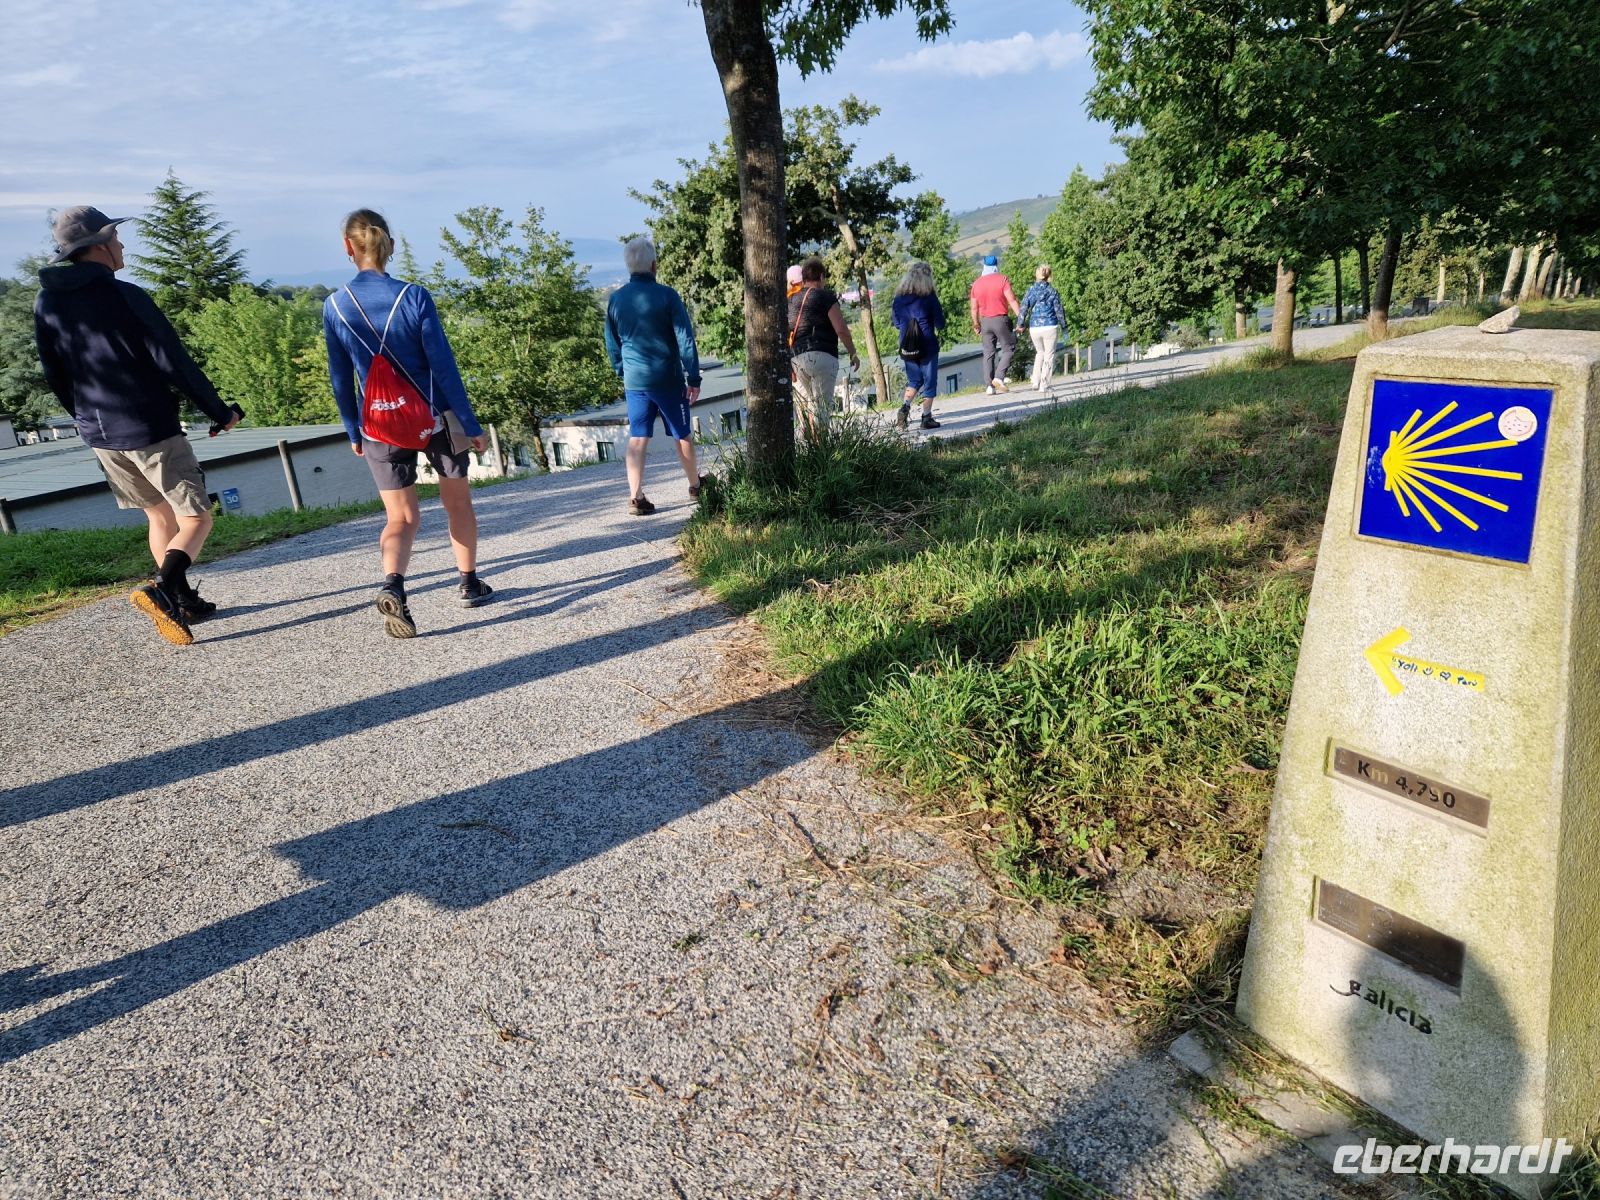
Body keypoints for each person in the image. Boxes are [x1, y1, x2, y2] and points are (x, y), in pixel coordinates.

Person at [33, 205, 241, 647]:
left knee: (157, 513)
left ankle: (184, 603)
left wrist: (84, 415)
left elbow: (54, 372)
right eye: (116, 237)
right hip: (149, 427)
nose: (123, 245)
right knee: (197, 517)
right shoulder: (126, 297)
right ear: (100, 246)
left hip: (99, 432)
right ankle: (163, 589)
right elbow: (173, 362)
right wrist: (220, 412)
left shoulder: (47, 301)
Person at [323, 208, 492, 640]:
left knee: (400, 518)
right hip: (434, 417)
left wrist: (352, 429)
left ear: (348, 247)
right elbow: (444, 366)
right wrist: (470, 424)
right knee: (457, 503)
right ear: (388, 245)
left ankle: (392, 585)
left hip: (377, 424)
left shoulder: (335, 306)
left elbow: (340, 378)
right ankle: (469, 582)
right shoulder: (414, 297)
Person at [604, 237, 703, 515]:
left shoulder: (616, 299)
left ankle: (636, 496)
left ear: (628, 266)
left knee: (638, 437)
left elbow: (611, 343)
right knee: (682, 434)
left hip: (635, 380)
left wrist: (621, 369)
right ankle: (695, 485)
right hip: (667, 378)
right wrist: (693, 377)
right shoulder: (667, 295)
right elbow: (685, 338)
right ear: (654, 264)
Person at [787, 257, 860, 438]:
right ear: (821, 277)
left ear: (803, 278)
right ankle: (822, 453)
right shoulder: (826, 297)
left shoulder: (791, 300)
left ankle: (808, 451)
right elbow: (841, 330)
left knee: (805, 409)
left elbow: (783, 332)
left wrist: (787, 362)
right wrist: (853, 353)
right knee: (821, 409)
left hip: (797, 359)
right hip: (823, 356)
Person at [890, 261, 946, 431]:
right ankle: (926, 418)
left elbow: (896, 323)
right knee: (929, 382)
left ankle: (904, 407)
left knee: (914, 380)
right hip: (928, 345)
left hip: (907, 345)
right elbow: (940, 323)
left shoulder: (899, 298)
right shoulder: (929, 297)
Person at [969, 253, 1020, 394]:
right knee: (1009, 349)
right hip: (1000, 319)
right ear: (996, 265)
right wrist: (1020, 318)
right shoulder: (1002, 280)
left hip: (985, 321)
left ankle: (989, 386)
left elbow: (974, 307)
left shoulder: (976, 284)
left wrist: (976, 324)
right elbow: (1012, 300)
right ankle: (998, 377)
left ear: (984, 266)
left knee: (988, 352)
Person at [1019, 264, 1068, 392]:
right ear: (1048, 276)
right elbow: (1059, 311)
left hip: (1034, 327)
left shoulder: (1031, 290)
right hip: (1050, 326)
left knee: (1039, 352)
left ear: (1037, 275)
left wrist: (1020, 323)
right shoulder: (1052, 291)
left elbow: (1024, 308)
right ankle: (1044, 384)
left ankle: (1035, 381)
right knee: (1049, 355)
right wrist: (1064, 328)